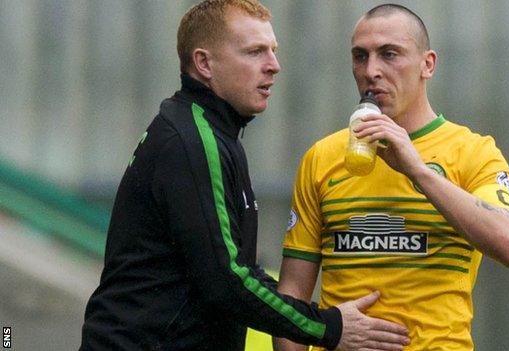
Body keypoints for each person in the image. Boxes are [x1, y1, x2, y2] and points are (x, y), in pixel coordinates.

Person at [79, 1, 411, 350]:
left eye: (273, 51)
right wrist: (328, 327)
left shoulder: (212, 132)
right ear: (204, 63)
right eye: (255, 52)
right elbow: (229, 280)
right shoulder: (194, 140)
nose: (274, 66)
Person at [274, 3, 509, 351]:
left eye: (389, 54)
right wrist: (323, 332)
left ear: (428, 64)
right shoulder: (322, 158)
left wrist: (418, 172)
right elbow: (293, 293)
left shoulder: (472, 152)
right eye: (360, 56)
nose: (371, 70)